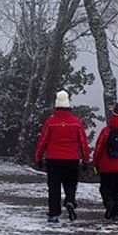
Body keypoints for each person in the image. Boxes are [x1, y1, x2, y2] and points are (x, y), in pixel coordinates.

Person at [34, 90, 90, 223]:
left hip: (53, 159)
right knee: (70, 184)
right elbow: (83, 142)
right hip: (72, 159)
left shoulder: (51, 122)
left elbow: (43, 141)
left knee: (54, 186)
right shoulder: (76, 122)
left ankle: (54, 213)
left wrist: (38, 157)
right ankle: (70, 201)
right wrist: (86, 159)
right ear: (69, 106)